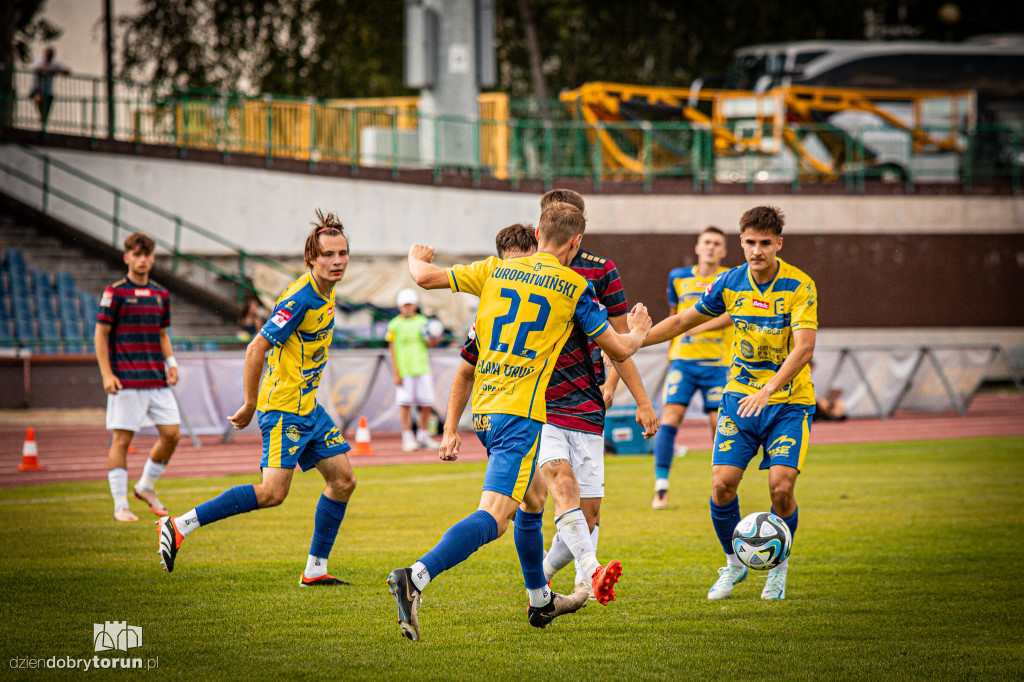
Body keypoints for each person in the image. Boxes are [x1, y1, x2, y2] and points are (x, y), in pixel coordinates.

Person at [388, 202, 652, 642]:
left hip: (486, 410)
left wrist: (418, 256)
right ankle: (414, 576)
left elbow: (423, 277)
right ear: (576, 242)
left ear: (536, 232)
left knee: (531, 502)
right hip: (521, 414)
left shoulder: (494, 269)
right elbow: (619, 349)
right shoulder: (573, 286)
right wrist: (640, 330)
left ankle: (539, 597)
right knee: (494, 516)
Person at [158, 210, 357, 588]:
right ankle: (178, 525)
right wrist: (250, 404)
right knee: (271, 493)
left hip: (308, 409)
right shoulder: (300, 298)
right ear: (311, 259)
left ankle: (315, 569)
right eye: (329, 255)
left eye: (342, 254)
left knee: (343, 481)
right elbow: (255, 349)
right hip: (284, 408)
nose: (337, 261)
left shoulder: (325, 292)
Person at [643, 206, 817, 601]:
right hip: (739, 398)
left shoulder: (800, 285)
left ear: (779, 244)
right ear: (741, 242)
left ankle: (778, 569)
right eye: (750, 243)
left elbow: (804, 348)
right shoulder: (729, 282)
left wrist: (769, 389)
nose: (757, 251)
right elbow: (683, 320)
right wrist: (636, 340)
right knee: (722, 485)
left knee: (781, 488)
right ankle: (734, 564)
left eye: (765, 243)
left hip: (787, 403)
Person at [95, 232, 181, 522]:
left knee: (172, 434)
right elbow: (100, 335)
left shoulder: (161, 294)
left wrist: (171, 363)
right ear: (127, 257)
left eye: (147, 255)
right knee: (121, 440)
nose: (142, 259)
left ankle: (144, 486)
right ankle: (120, 505)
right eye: (137, 254)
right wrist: (107, 374)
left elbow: (162, 335)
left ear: (152, 258)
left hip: (156, 378)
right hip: (126, 380)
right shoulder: (115, 292)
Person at [650, 226, 734, 510]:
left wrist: (696, 328)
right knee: (670, 418)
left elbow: (732, 316)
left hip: (716, 364)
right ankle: (661, 488)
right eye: (706, 242)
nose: (710, 247)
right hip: (683, 362)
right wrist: (671, 350)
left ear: (723, 251)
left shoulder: (730, 277)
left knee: (718, 425)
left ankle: (720, 484)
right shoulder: (678, 277)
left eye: (716, 244)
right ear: (698, 247)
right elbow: (674, 318)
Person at [387, 288, 441, 451]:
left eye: (410, 304)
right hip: (405, 371)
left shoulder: (423, 322)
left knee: (426, 403)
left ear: (415, 305)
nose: (407, 307)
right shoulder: (394, 324)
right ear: (399, 306)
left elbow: (430, 343)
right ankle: (407, 436)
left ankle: (423, 435)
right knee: (405, 404)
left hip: (422, 368)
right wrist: (396, 373)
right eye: (405, 305)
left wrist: (435, 337)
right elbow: (392, 350)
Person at [29, 47, 70, 126]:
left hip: (48, 91)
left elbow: (67, 71)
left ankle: (43, 121)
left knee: (47, 110)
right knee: (39, 99)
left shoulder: (54, 64)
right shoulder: (40, 62)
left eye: (50, 55)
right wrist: (53, 71)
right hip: (38, 89)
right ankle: (41, 117)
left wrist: (57, 71)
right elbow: (38, 68)